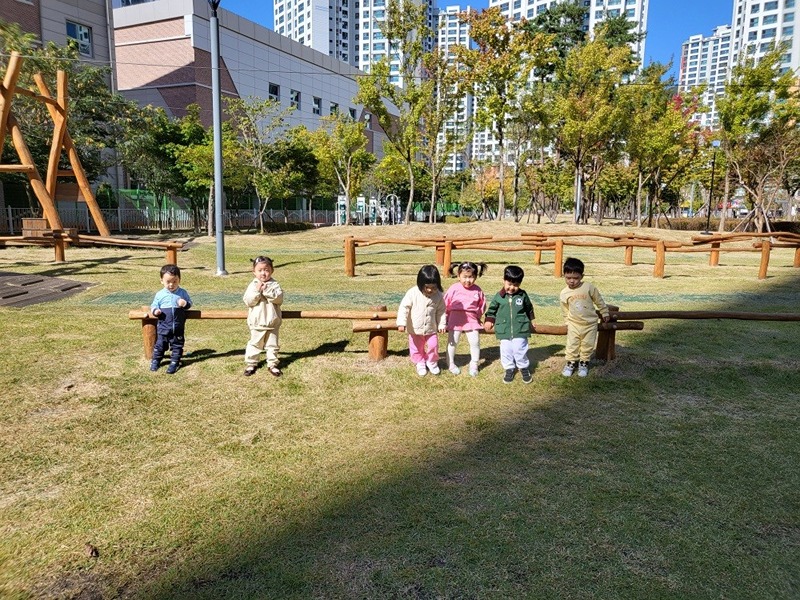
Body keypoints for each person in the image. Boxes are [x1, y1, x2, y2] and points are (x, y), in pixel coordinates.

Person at [484, 265, 535, 384]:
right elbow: (492, 310)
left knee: (519, 349)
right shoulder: (499, 296)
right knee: (505, 350)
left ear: (520, 284)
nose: (512, 287)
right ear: (504, 280)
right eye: (509, 284)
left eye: (516, 285)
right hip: (504, 329)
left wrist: (532, 319)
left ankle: (523, 367)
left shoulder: (522, 295)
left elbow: (529, 308)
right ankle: (509, 368)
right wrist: (489, 320)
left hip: (520, 328)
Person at [559, 257, 610, 378]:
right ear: (564, 276)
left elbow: (599, 301)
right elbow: (565, 309)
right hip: (574, 324)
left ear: (582, 276)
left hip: (590, 324)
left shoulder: (588, 287)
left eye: (575, 278)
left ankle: (584, 363)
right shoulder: (564, 293)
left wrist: (604, 312)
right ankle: (571, 363)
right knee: (572, 345)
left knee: (587, 345)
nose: (572, 281)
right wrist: (567, 321)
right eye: (568, 278)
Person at [396, 265, 447, 377]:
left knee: (433, 345)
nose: (430, 290)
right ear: (420, 283)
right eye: (427, 287)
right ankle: (420, 362)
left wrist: (442, 324)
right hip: (415, 328)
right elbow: (404, 307)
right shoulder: (412, 293)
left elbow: (441, 311)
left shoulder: (438, 295)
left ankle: (431, 361)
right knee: (416, 347)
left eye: (433, 288)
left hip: (431, 328)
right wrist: (401, 322)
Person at [444, 261, 487, 376]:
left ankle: (474, 363)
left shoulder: (477, 290)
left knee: (475, 342)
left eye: (471, 277)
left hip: (472, 319)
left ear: (476, 277)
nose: (468, 280)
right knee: (453, 341)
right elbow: (446, 303)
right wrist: (446, 318)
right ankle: (450, 363)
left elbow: (482, 305)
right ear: (458, 276)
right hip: (455, 318)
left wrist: (478, 316)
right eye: (465, 277)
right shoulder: (453, 288)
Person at [243, 256, 284, 377]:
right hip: (257, 322)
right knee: (255, 344)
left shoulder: (274, 285)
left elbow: (279, 299)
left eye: (266, 270)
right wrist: (257, 292)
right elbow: (248, 301)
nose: (263, 273)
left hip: (272, 322)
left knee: (272, 345)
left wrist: (267, 291)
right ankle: (251, 363)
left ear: (272, 271)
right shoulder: (253, 285)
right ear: (254, 272)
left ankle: (272, 364)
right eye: (260, 270)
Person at [149, 264, 192, 374]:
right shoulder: (160, 294)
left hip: (177, 327)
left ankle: (174, 362)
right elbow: (153, 305)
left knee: (177, 346)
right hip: (163, 327)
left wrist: (185, 303)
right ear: (162, 281)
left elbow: (190, 303)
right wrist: (156, 311)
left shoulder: (182, 293)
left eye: (175, 281)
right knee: (160, 346)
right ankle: (156, 361)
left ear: (179, 280)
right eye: (168, 282)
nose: (171, 285)